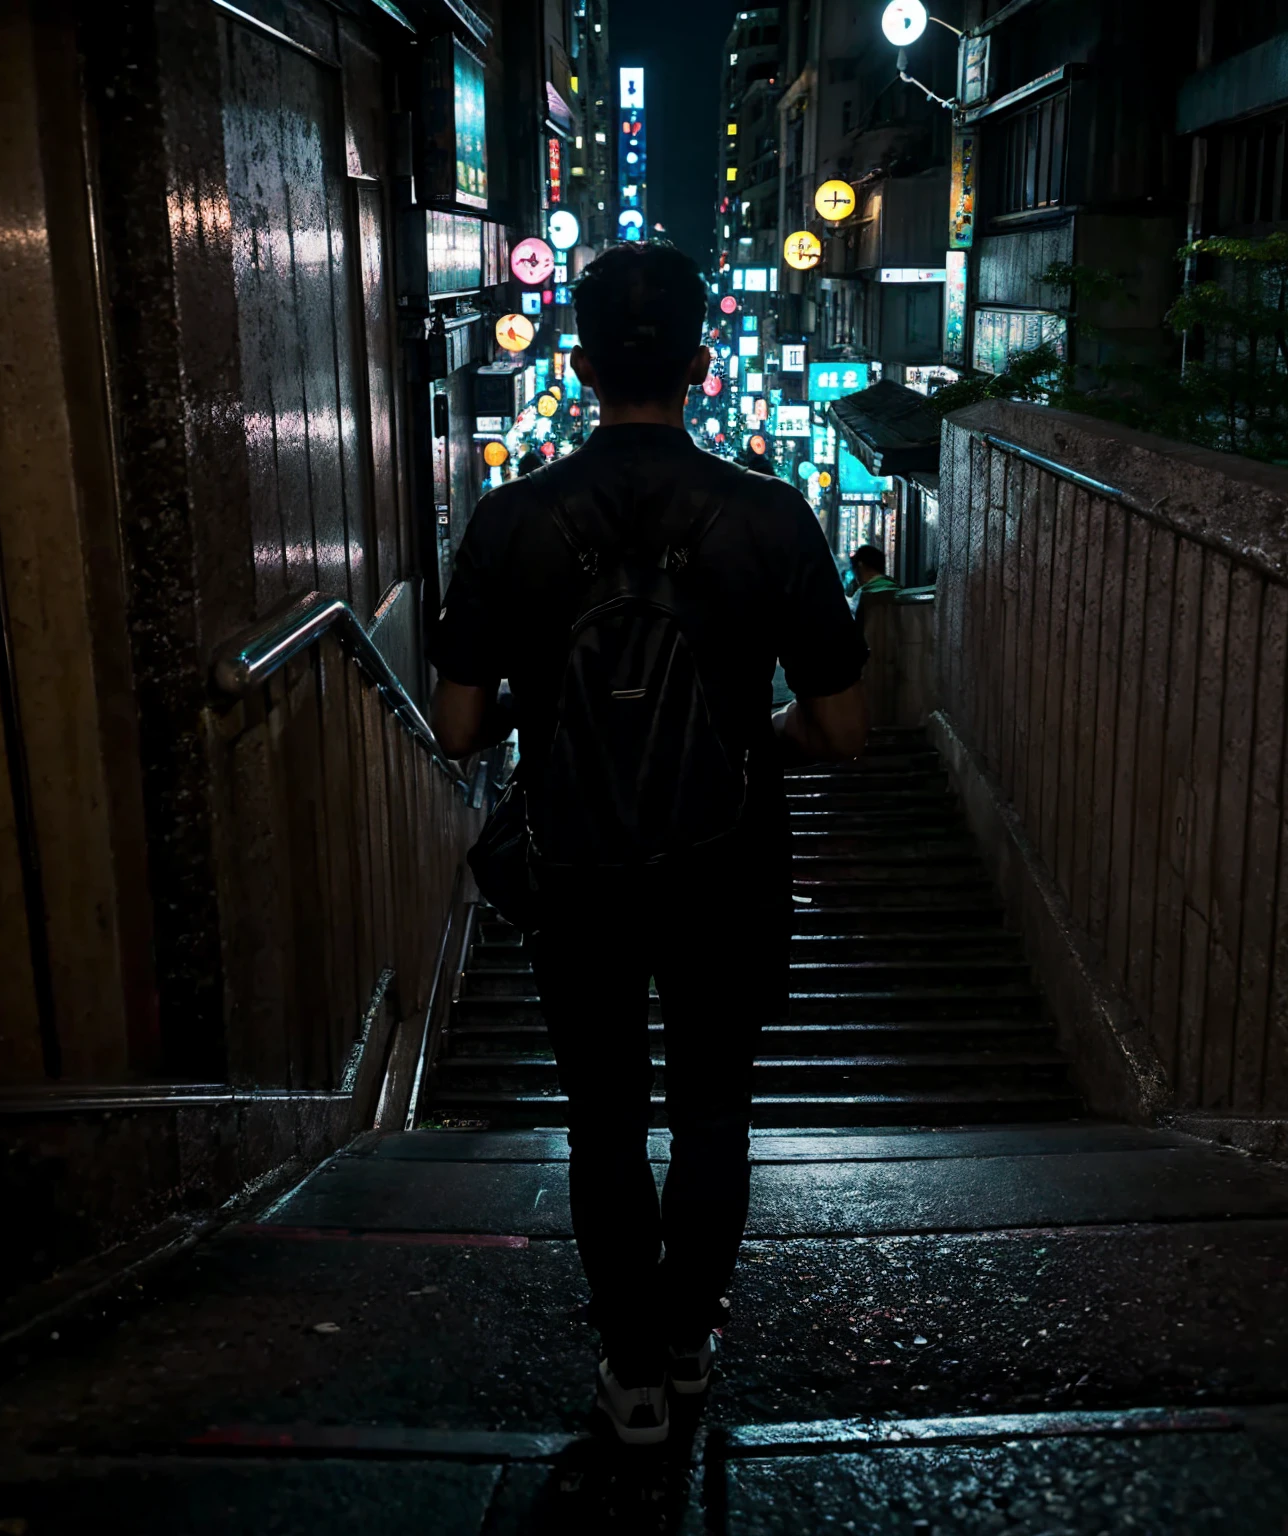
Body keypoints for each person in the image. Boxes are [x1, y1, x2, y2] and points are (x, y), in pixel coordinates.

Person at [427, 244, 868, 1446]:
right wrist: (745, 737)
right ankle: (687, 1336)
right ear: (699, 363)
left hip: (577, 868)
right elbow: (839, 722)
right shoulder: (770, 516)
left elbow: (462, 723)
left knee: (604, 1119)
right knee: (715, 1110)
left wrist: (558, 708)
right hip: (727, 861)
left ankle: (628, 1371)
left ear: (575, 365)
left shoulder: (511, 519)